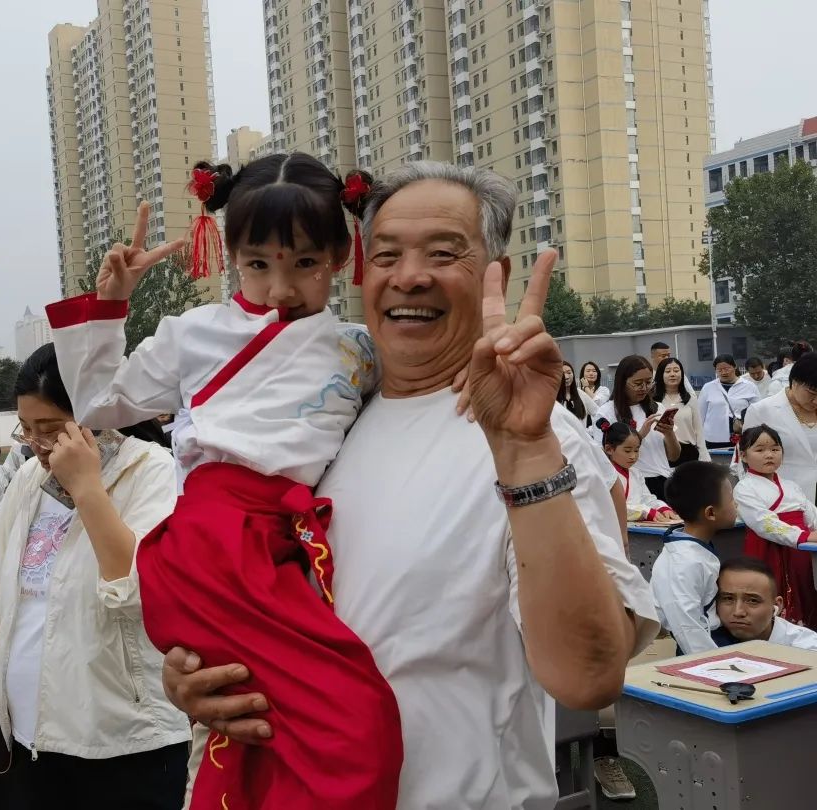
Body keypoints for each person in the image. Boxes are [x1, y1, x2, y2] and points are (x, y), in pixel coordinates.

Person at [159, 162, 658, 810]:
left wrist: (526, 451)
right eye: (387, 253)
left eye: (444, 253)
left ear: (495, 277)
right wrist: (195, 676)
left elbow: (588, 677)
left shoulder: (535, 438)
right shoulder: (321, 427)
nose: (409, 275)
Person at [49, 153, 402, 809]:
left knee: (276, 732)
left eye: (306, 264)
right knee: (356, 719)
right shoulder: (194, 334)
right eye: (258, 264)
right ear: (231, 254)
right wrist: (112, 305)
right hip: (218, 543)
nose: (281, 288)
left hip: (280, 546)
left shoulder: (359, 346)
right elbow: (98, 406)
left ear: (339, 255)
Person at [0, 343, 189, 809]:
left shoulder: (154, 471)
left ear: (98, 414)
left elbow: (138, 591)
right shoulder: (29, 481)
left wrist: (86, 487)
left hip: (124, 742)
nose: (37, 446)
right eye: (28, 429)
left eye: (53, 430)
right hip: (28, 738)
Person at [733, 424, 817, 628]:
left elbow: (811, 514)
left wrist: (810, 533)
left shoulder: (792, 486)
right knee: (772, 594)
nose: (768, 455)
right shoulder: (744, 488)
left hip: (800, 551)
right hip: (769, 547)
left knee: (805, 590)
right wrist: (802, 537)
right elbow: (763, 523)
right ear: (743, 456)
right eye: (760, 450)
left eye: (775, 449)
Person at [650, 461, 737, 654]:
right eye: (731, 499)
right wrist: (713, 666)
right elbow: (687, 627)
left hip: (716, 636)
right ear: (711, 513)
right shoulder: (683, 563)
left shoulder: (695, 550)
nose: (736, 504)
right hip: (704, 646)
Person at [592, 354, 681, 499]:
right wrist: (639, 435)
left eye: (648, 382)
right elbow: (602, 456)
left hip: (664, 480)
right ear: (622, 382)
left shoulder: (658, 408)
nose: (644, 388)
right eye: (638, 383)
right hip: (632, 484)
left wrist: (669, 433)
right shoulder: (606, 412)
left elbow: (674, 456)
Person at [743, 352, 817, 504]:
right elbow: (746, 461)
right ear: (794, 382)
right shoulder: (762, 411)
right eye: (812, 393)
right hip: (784, 501)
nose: (816, 401)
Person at [712, 557, 817, 650]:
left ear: (777, 605)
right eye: (728, 598)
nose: (738, 612)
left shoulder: (806, 649)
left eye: (753, 601)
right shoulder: (705, 637)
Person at [601, 422, 678, 523]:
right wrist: (644, 512)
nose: (633, 456)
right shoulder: (603, 474)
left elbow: (646, 499)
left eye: (636, 450)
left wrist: (662, 508)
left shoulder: (635, 473)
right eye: (627, 451)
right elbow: (611, 506)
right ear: (609, 449)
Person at [697, 354, 760, 450]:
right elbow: (700, 415)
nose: (723, 372)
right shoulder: (708, 387)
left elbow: (758, 412)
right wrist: (698, 438)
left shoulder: (749, 386)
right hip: (712, 438)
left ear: (734, 366)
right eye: (719, 370)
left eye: (726, 369)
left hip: (741, 436)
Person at [654, 356, 710, 463]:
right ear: (661, 375)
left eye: (676, 370)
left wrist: (704, 456)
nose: (672, 374)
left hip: (689, 452)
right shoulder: (653, 401)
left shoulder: (690, 399)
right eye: (668, 371)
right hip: (663, 453)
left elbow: (698, 430)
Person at [558, 360, 596, 426]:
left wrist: (590, 431)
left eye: (569, 373)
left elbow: (597, 412)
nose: (566, 377)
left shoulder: (581, 394)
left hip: (581, 435)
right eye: (562, 373)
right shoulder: (553, 397)